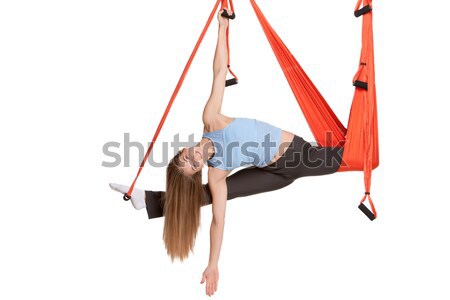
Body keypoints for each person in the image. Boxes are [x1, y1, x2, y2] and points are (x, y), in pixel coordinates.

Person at [110, 8, 344, 297]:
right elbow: (218, 221)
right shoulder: (217, 171)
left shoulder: (211, 119)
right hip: (278, 174)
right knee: (216, 192)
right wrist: (213, 264)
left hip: (297, 156)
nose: (195, 160)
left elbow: (219, 71)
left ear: (184, 149)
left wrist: (221, 28)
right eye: (194, 167)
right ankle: (147, 200)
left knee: (348, 158)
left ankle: (149, 201)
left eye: (186, 158)